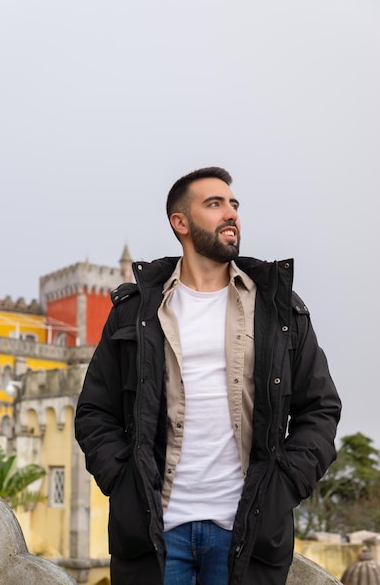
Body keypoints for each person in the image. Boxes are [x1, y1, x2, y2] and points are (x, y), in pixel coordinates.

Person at [75, 167, 341, 585]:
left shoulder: (278, 308)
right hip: (154, 532)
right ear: (180, 223)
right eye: (214, 204)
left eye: (233, 204)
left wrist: (284, 486)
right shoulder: (135, 311)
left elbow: (321, 409)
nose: (230, 213)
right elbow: (94, 411)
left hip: (246, 531)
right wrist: (123, 483)